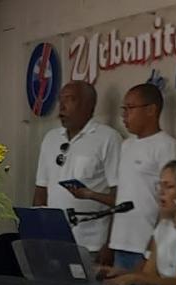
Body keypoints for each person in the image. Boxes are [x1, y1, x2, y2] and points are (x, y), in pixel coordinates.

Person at [33, 80, 121, 259]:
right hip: (53, 242)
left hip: (91, 244)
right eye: (60, 100)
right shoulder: (51, 138)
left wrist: (110, 245)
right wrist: (37, 235)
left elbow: (119, 196)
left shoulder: (108, 138)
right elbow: (41, 189)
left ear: (89, 105)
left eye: (70, 99)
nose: (62, 106)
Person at [109, 83, 176, 270]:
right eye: (123, 109)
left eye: (130, 108)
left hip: (146, 246)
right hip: (120, 243)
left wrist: (151, 250)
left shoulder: (167, 146)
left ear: (151, 110)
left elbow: (172, 203)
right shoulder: (126, 145)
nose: (124, 115)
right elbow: (122, 196)